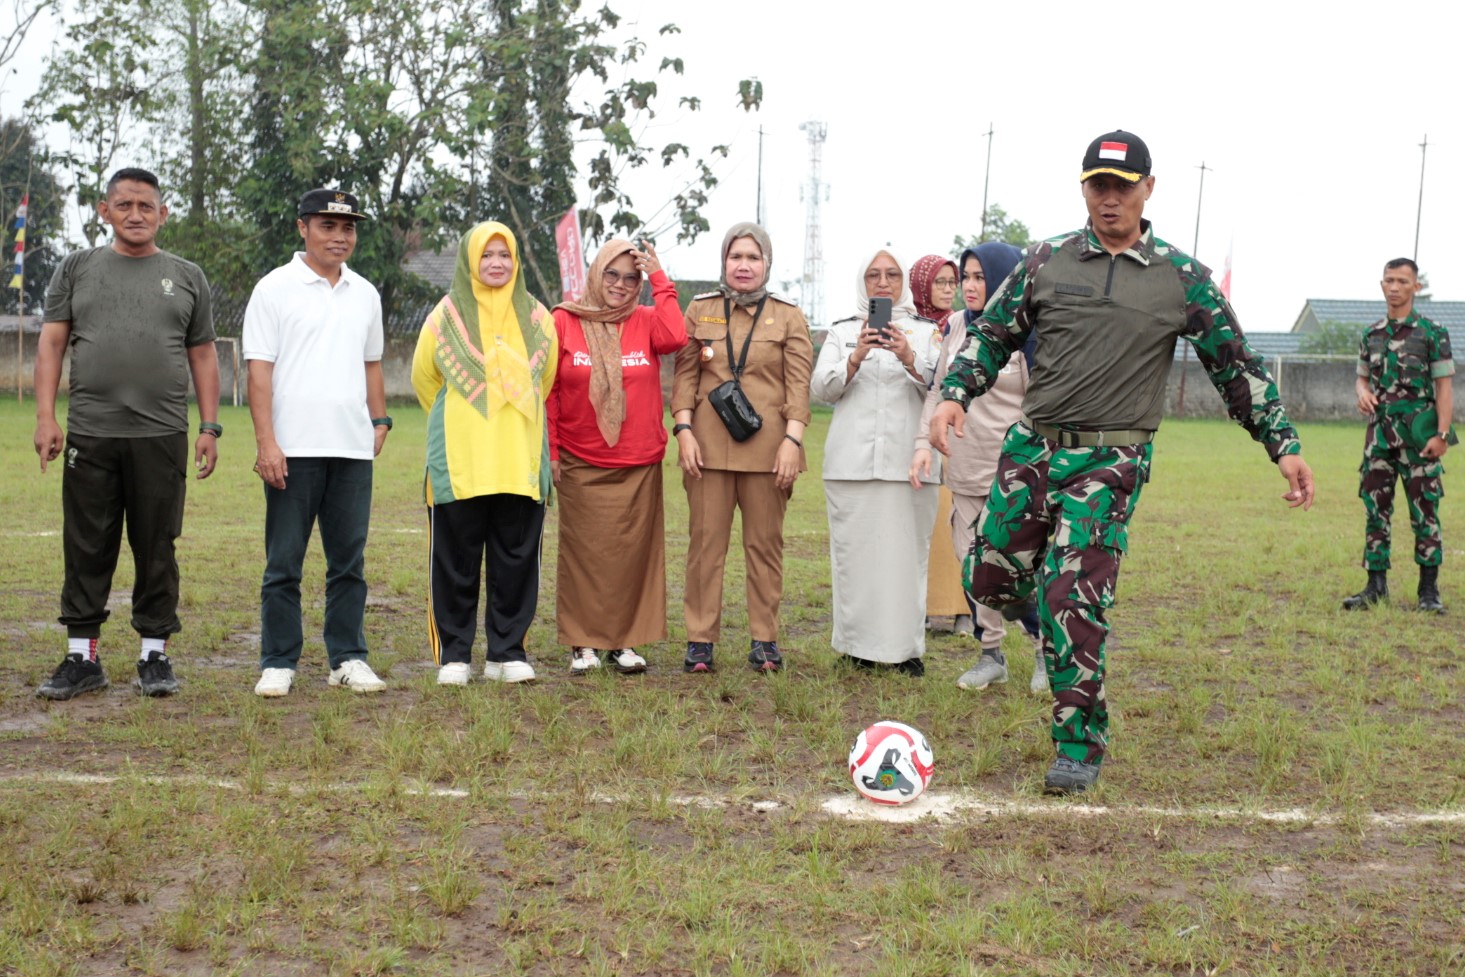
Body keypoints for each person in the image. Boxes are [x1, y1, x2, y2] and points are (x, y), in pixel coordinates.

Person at [930, 130, 1315, 795]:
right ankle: (1038, 614)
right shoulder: (1045, 261)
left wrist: (1282, 445)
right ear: (1083, 188)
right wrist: (954, 394)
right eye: (1097, 185)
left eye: (1122, 186)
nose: (1108, 199)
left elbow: (1236, 370)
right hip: (1032, 447)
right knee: (986, 577)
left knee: (1073, 595)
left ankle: (1076, 745)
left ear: (1147, 189)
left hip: (1111, 457)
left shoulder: (1180, 278)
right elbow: (991, 335)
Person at [32, 167, 220, 700]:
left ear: (163, 213)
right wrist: (47, 418)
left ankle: (154, 657)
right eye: (124, 205)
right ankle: (82, 657)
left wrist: (209, 426)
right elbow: (50, 345)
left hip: (162, 435)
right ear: (104, 211)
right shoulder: (77, 269)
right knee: (87, 543)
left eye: (146, 206)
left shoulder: (186, 275)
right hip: (90, 433)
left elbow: (203, 354)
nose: (135, 215)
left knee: (156, 543)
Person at [244, 188, 390, 698]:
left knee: (348, 562)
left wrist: (380, 419)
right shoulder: (274, 289)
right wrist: (267, 443)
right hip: (292, 449)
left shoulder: (366, 293)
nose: (340, 236)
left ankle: (347, 657)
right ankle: (279, 661)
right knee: (284, 561)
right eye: (328, 226)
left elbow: (371, 364)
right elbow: (258, 373)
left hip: (351, 448)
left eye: (348, 228)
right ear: (302, 227)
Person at [413, 221, 558, 685]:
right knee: (454, 561)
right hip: (460, 462)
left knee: (516, 560)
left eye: (505, 255)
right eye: (486, 255)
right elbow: (425, 381)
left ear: (515, 261)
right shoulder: (445, 316)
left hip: (519, 461)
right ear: (470, 261)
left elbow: (545, 382)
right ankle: (455, 656)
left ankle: (507, 652)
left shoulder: (538, 318)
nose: (496, 264)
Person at [672, 222, 813, 673]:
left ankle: (765, 640)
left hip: (770, 452)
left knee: (764, 547)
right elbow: (685, 378)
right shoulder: (700, 309)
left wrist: (793, 440)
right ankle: (700, 641)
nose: (744, 266)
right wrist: (684, 431)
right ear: (724, 261)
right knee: (705, 546)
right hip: (707, 450)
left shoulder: (788, 315)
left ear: (767, 263)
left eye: (754, 257)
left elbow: (798, 386)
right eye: (737, 257)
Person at [548, 238, 686, 674]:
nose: (621, 285)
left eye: (632, 278)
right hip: (579, 457)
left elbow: (677, 337)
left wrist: (660, 280)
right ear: (596, 273)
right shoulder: (564, 320)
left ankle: (624, 642)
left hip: (637, 461)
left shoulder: (646, 320)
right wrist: (551, 451)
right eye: (612, 274)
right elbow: (549, 391)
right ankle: (583, 643)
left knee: (633, 555)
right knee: (583, 554)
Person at [912, 242, 1044, 691]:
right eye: (965, 277)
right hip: (964, 470)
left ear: (1006, 280)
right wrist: (922, 445)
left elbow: (1044, 404)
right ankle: (991, 654)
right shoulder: (955, 328)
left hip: (1017, 473)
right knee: (974, 568)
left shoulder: (1029, 335)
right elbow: (938, 391)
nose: (969, 286)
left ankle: (1045, 650)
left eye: (980, 277)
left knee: (1016, 569)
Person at [812, 248, 942, 675]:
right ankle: (856, 647)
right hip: (851, 464)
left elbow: (944, 388)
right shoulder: (843, 331)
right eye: (873, 275)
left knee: (907, 560)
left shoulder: (925, 333)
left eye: (891, 274)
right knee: (855, 558)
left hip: (911, 465)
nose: (882, 282)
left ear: (903, 281)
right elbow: (821, 390)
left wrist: (908, 356)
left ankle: (905, 651)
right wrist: (856, 356)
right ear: (862, 282)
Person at [1342, 257, 1454, 613]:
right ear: (1381, 284)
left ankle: (1428, 591)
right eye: (1389, 280)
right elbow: (1362, 377)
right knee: (1376, 511)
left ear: (1415, 287)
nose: (1394, 287)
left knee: (1425, 512)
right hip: (1379, 439)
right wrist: (1362, 392)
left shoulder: (1432, 332)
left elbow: (1445, 388)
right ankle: (1375, 587)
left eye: (1403, 281)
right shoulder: (1371, 334)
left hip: (1420, 440)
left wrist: (1442, 434)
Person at [907, 254, 970, 633]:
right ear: (921, 285)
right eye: (940, 282)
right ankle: (928, 607)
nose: (949, 289)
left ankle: (965, 608)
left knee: (957, 526)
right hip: (916, 436)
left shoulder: (966, 325)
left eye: (953, 282)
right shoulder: (911, 327)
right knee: (927, 527)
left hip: (957, 436)